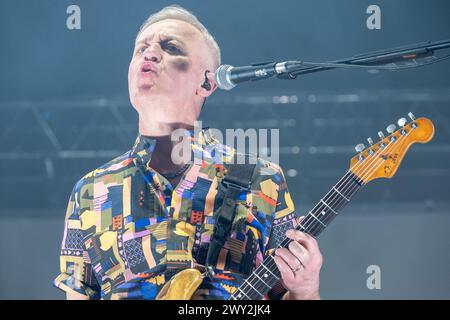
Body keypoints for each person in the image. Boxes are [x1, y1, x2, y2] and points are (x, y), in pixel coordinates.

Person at [53, 5, 322, 300]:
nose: (150, 53)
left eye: (171, 48)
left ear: (207, 82)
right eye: (141, 47)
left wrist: (306, 288)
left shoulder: (262, 178)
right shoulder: (91, 191)